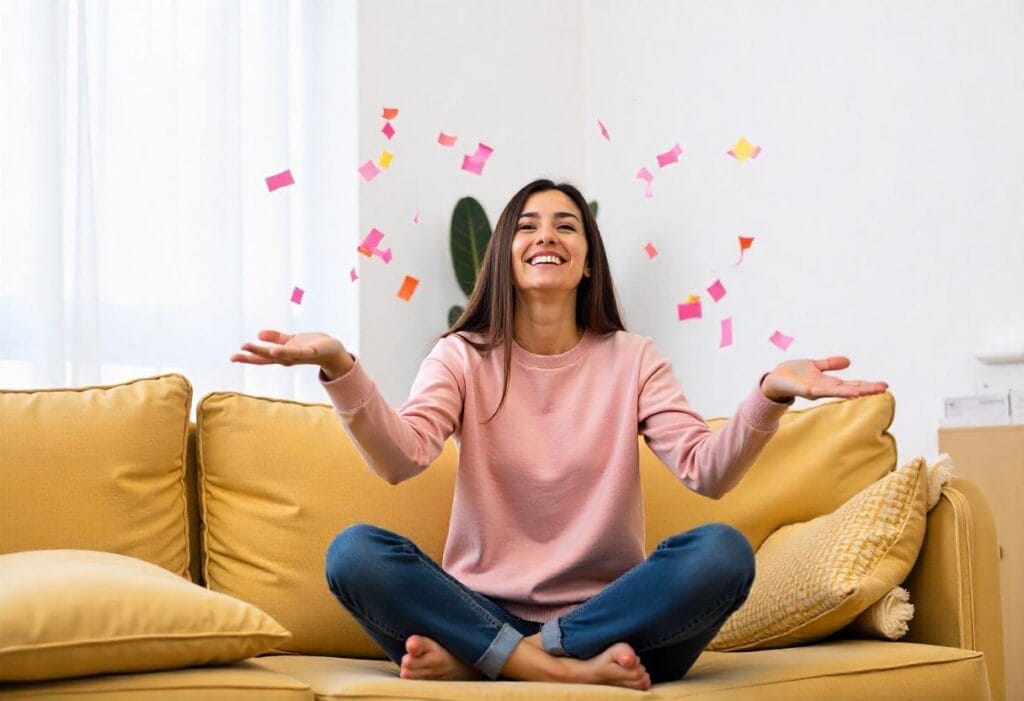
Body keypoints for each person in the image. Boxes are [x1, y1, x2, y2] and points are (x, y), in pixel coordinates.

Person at [231, 178, 888, 690]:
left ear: (586, 262)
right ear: (505, 253)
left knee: (722, 554)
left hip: (613, 620)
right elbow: (403, 458)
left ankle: (502, 662)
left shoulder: (634, 358)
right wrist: (339, 366)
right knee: (354, 554)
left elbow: (704, 469)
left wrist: (771, 390)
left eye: (566, 225)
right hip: (479, 608)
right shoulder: (462, 355)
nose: (547, 235)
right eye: (528, 225)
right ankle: (541, 664)